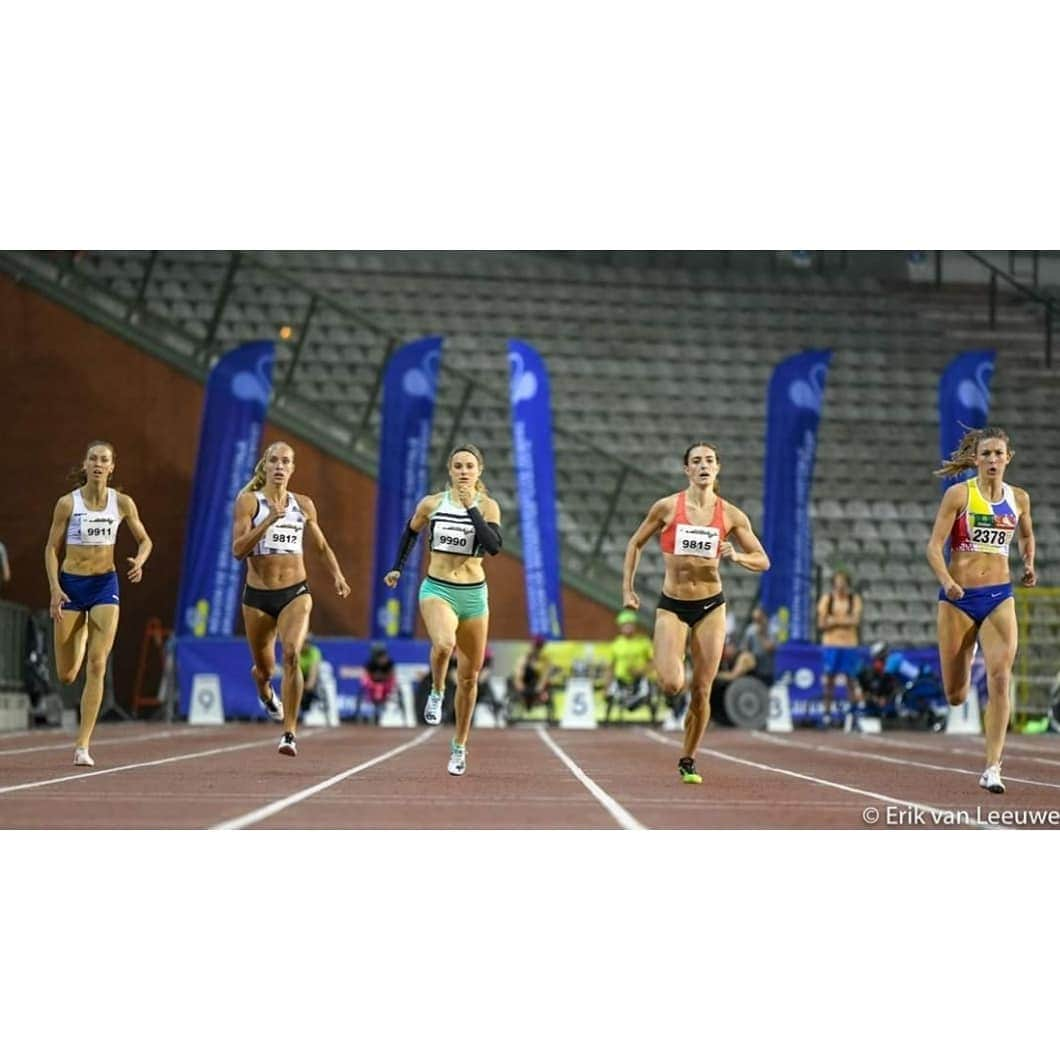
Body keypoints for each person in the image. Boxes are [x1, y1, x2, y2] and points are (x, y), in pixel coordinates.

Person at [622, 441, 770, 783]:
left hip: (710, 606)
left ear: (717, 469)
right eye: (696, 461)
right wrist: (627, 589)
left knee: (702, 690)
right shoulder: (667, 508)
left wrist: (736, 556)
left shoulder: (731, 515)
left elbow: (763, 560)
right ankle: (672, 659)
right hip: (672, 605)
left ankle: (688, 758)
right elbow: (635, 543)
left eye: (710, 461)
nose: (703, 465)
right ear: (686, 469)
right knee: (673, 684)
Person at [927, 426, 1036, 794]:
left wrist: (1029, 563)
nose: (992, 460)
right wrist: (946, 581)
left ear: (1009, 458)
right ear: (975, 459)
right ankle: (967, 649)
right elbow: (933, 547)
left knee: (1001, 677)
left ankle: (993, 767)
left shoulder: (1019, 498)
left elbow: (1026, 535)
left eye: (997, 454)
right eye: (985, 454)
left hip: (998, 597)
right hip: (959, 599)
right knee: (956, 695)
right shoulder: (959, 494)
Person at [384, 443, 502, 776]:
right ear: (449, 471)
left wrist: (471, 508)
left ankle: (459, 746)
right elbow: (410, 532)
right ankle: (437, 691)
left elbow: (493, 547)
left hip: (474, 596)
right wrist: (397, 566)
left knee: (469, 678)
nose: (464, 471)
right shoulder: (432, 503)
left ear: (479, 472)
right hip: (437, 588)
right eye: (458, 466)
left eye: (470, 466)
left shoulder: (489, 506)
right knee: (444, 644)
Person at [232, 441, 350, 757]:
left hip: (294, 593)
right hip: (257, 597)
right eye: (274, 461)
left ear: (293, 468)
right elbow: (237, 550)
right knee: (264, 669)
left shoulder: (304, 504)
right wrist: (269, 520)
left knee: (293, 654)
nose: (280, 466)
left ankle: (289, 733)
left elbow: (322, 546)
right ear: (265, 466)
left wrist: (337, 574)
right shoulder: (248, 503)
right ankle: (267, 693)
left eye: (286, 461)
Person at [44, 441, 152, 766]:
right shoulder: (67, 504)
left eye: (104, 459)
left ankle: (83, 745)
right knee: (66, 674)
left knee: (97, 664)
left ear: (112, 467)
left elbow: (145, 539)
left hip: (106, 584)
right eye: (93, 458)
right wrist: (54, 588)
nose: (98, 464)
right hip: (71, 586)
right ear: (85, 464)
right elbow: (51, 548)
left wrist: (140, 560)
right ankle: (82, 635)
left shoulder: (122, 503)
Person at [816, 569, 863, 726]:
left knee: (851, 680)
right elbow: (822, 624)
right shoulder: (827, 600)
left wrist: (834, 621)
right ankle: (826, 714)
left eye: (843, 582)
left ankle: (853, 716)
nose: (841, 585)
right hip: (831, 644)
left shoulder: (853, 599)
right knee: (829, 680)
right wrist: (844, 621)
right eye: (838, 581)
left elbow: (855, 621)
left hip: (849, 645)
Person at [603, 610, 656, 723]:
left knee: (648, 692)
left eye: (630, 624)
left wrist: (641, 670)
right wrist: (606, 686)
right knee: (610, 695)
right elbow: (610, 667)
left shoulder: (644, 642)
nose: (627, 627)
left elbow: (654, 662)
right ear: (620, 627)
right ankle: (606, 723)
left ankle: (654, 721)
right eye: (624, 625)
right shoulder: (616, 644)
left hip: (639, 680)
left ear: (634, 625)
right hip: (621, 680)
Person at [511, 635, 555, 720]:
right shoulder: (524, 658)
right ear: (532, 646)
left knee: (548, 685)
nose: (538, 649)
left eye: (540, 646)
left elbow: (545, 676)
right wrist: (519, 684)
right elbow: (518, 673)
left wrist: (541, 687)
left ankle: (538, 699)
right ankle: (526, 700)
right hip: (525, 684)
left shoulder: (545, 660)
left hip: (538, 686)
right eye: (536, 646)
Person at [361, 641, 398, 720]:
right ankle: (374, 706)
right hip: (372, 687)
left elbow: (392, 677)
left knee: (387, 686)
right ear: (376, 657)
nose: (385, 658)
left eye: (385, 655)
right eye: (382, 656)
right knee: (371, 685)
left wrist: (385, 684)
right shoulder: (370, 664)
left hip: (386, 686)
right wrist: (372, 685)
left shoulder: (390, 663)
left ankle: (385, 709)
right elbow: (365, 678)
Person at [298, 634, 323, 719]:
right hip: (298, 677)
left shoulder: (314, 652)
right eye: (304, 642)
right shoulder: (295, 652)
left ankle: (308, 709)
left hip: (309, 678)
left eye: (308, 642)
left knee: (309, 691)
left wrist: (306, 686)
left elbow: (312, 678)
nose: (306, 644)